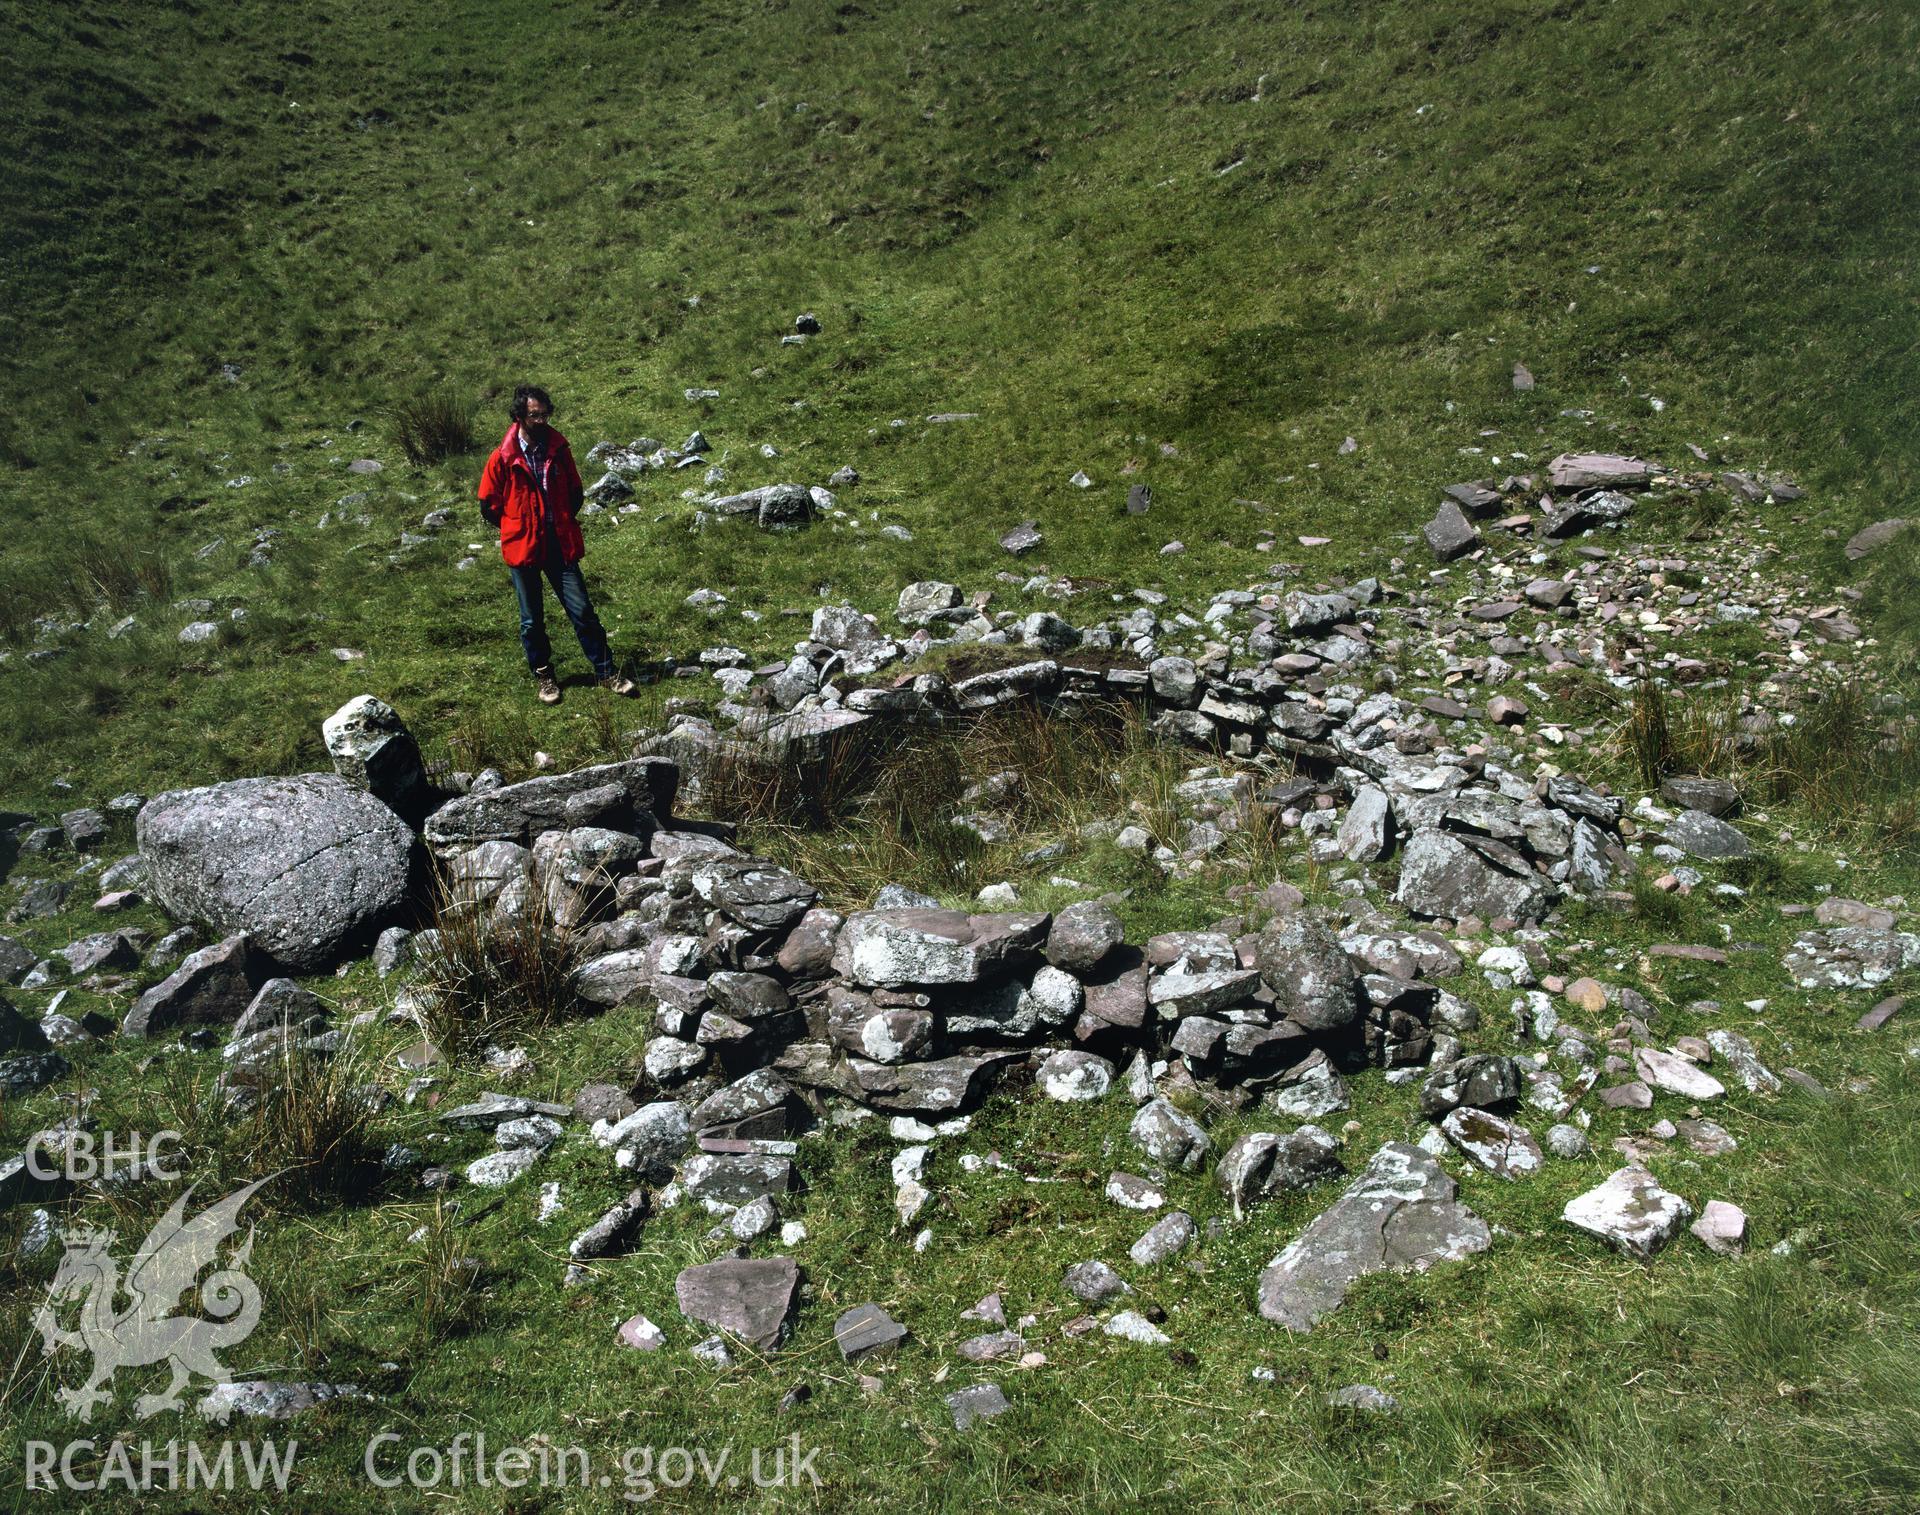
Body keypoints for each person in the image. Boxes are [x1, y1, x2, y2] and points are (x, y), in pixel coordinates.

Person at [477, 384, 636, 703]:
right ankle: (545, 677)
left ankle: (606, 672)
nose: (541, 421)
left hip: (558, 543)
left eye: (545, 414)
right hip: (523, 547)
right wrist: (515, 527)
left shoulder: (559, 449)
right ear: (520, 416)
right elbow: (488, 504)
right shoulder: (503, 457)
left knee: (582, 610)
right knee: (531, 619)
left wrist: (559, 518)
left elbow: (575, 492)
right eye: (534, 415)